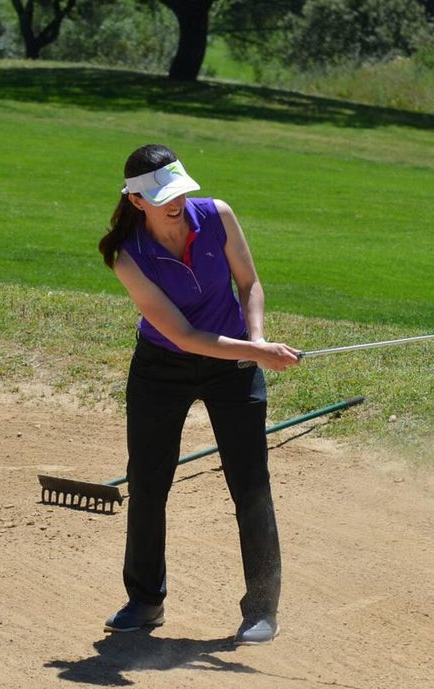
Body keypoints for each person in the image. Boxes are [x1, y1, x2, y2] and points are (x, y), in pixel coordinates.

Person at [97, 144, 301, 644]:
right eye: (163, 197)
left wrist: (255, 341)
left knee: (251, 486)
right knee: (148, 483)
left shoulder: (217, 215)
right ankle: (145, 601)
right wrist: (253, 353)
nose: (176, 203)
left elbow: (249, 282)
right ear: (137, 200)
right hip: (162, 368)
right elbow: (184, 336)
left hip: (232, 364)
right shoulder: (128, 257)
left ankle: (261, 609)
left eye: (180, 191)